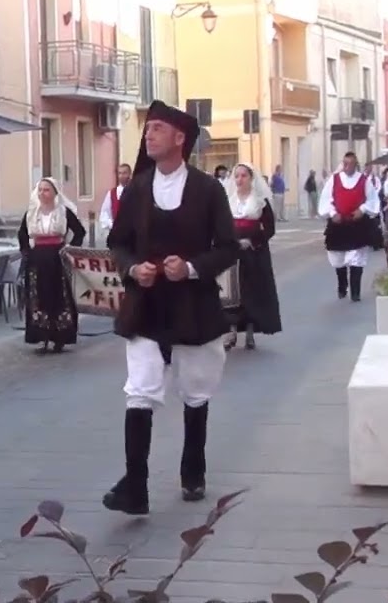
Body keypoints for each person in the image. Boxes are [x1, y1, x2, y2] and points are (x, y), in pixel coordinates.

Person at [102, 100, 238, 515]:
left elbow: (228, 248)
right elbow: (118, 243)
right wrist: (133, 268)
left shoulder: (208, 190)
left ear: (180, 138)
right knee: (139, 390)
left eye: (157, 128)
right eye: (148, 129)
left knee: (195, 390)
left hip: (192, 305)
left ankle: (193, 469)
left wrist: (192, 268)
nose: (148, 135)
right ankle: (135, 486)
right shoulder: (137, 188)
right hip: (146, 304)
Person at [17, 177, 86, 353]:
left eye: (46, 190)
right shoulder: (32, 212)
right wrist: (27, 252)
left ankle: (60, 337)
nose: (42, 193)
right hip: (37, 260)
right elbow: (22, 234)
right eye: (40, 190)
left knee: (59, 298)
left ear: (55, 192)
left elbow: (79, 231)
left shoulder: (63, 211)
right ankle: (41, 336)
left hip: (58, 260)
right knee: (38, 298)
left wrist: (70, 249)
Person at [222, 163, 282, 351]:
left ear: (251, 178)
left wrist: (252, 241)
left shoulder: (260, 202)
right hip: (233, 253)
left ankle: (250, 332)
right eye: (237, 176)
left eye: (243, 176)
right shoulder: (229, 201)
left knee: (252, 292)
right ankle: (231, 331)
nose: (239, 180)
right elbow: (221, 226)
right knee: (232, 294)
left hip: (254, 253)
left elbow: (269, 228)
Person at [318, 151, 381, 302]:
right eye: (345, 163)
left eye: (350, 164)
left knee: (356, 258)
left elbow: (372, 199)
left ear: (355, 164)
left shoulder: (364, 181)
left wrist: (363, 209)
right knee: (337, 258)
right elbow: (326, 199)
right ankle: (342, 284)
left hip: (357, 225)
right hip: (338, 225)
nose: (347, 167)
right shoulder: (334, 179)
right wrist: (332, 213)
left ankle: (355, 292)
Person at [97, 163, 132, 242]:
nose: (121, 176)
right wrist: (113, 225)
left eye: (124, 173)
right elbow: (104, 213)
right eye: (119, 173)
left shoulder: (136, 191)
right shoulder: (112, 193)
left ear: (130, 174)